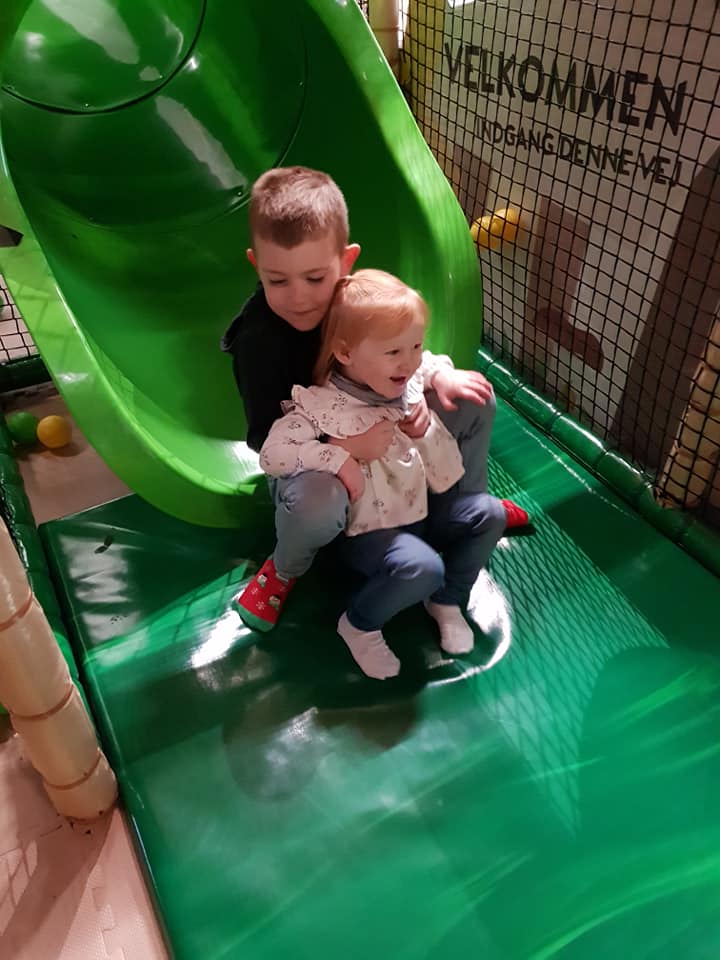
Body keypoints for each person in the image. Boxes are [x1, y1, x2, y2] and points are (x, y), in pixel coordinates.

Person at [220, 166, 528, 632]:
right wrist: (342, 450)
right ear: (255, 264)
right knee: (318, 503)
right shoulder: (259, 343)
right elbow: (268, 445)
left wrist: (431, 382)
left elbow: (402, 351)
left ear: (345, 262)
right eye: (277, 280)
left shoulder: (359, 301)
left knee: (473, 398)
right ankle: (283, 569)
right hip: (311, 456)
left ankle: (462, 508)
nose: (299, 297)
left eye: (315, 277)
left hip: (385, 432)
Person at [258, 270, 506, 678]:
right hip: (370, 534)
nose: (409, 361)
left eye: (415, 345)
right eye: (393, 352)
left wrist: (442, 374)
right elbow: (273, 455)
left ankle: (447, 600)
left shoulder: (407, 378)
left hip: (422, 510)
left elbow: (428, 363)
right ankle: (359, 625)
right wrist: (340, 455)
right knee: (421, 567)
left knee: (490, 514)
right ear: (345, 352)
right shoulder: (323, 406)